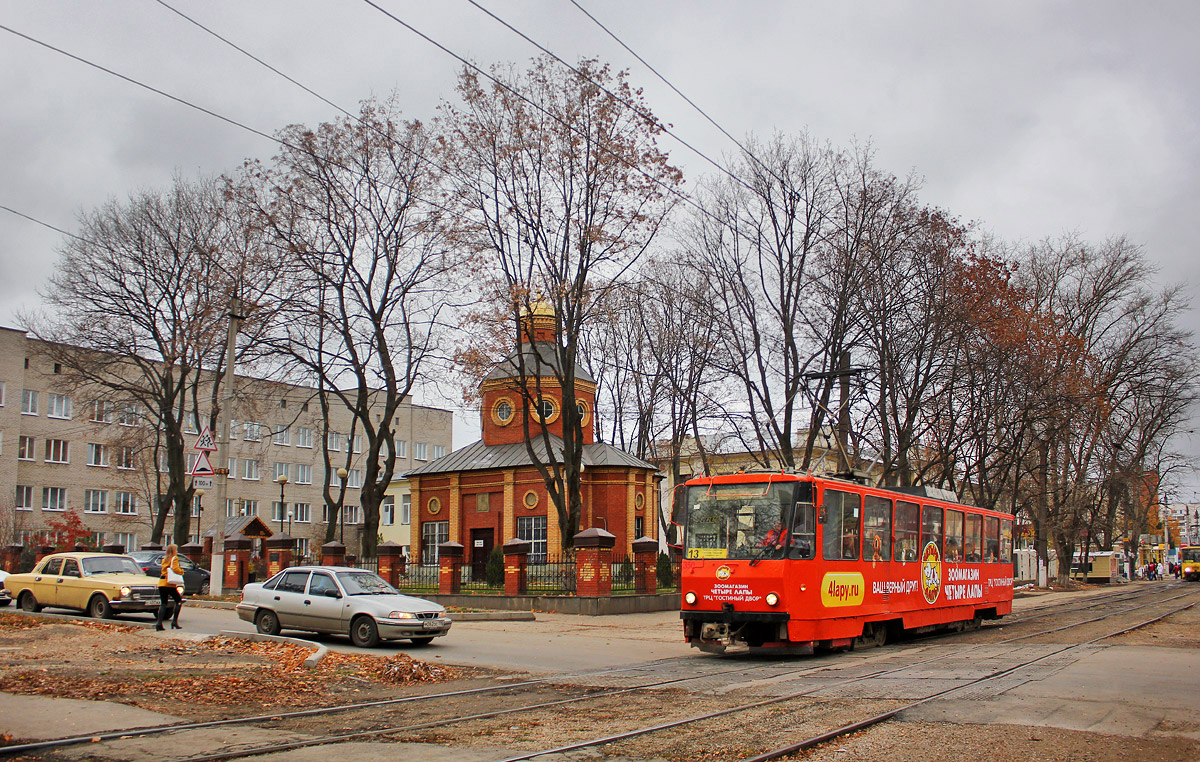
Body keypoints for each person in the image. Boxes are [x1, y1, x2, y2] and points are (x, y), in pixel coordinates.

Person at [156, 544, 184, 631]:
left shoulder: (164, 559)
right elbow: (175, 569)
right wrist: (181, 571)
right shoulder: (174, 558)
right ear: (173, 551)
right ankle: (174, 621)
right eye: (176, 550)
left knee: (163, 603)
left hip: (162, 583)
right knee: (178, 601)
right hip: (170, 584)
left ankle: (159, 623)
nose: (177, 551)